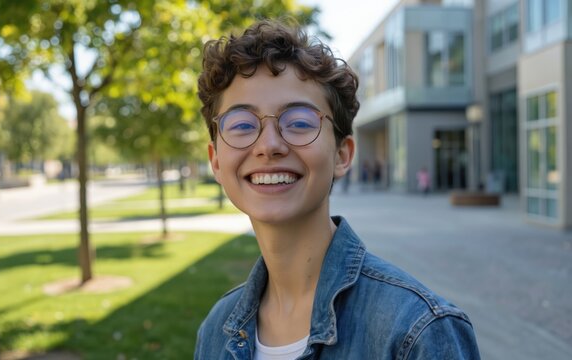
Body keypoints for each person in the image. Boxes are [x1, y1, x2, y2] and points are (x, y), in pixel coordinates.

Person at [195, 19, 480, 359]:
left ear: (342, 155)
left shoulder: (416, 332)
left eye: (299, 122)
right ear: (215, 160)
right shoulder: (215, 330)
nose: (268, 146)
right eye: (242, 124)